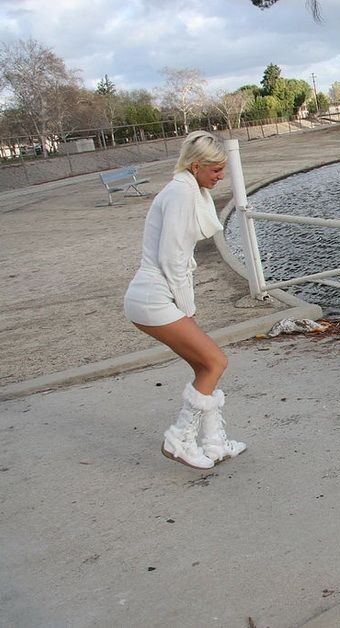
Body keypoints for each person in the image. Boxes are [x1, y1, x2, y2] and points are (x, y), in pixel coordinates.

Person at [123, 131, 247, 469]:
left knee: (203, 366)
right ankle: (178, 439)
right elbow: (173, 258)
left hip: (158, 295)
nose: (221, 176)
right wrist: (187, 309)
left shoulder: (190, 190)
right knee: (215, 362)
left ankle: (214, 443)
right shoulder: (180, 193)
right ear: (196, 166)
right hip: (153, 296)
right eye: (215, 170)